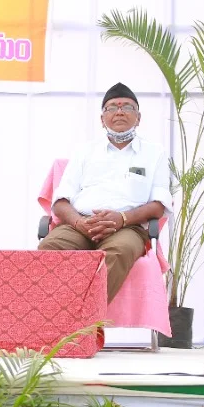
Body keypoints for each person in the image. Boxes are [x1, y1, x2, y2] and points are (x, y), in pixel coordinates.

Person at [38, 82, 171, 302]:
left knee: (119, 253)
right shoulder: (84, 151)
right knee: (49, 248)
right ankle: (54, 320)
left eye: (127, 107)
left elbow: (158, 204)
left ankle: (84, 325)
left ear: (138, 117)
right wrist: (80, 222)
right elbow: (61, 202)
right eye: (112, 107)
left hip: (128, 227)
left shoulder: (154, 153)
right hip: (81, 224)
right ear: (102, 119)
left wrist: (122, 219)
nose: (119, 111)